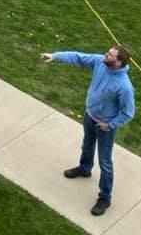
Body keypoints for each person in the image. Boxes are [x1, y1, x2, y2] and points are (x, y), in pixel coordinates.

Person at [40, 46, 135, 216]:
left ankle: (105, 198)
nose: (105, 55)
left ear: (119, 62)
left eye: (110, 55)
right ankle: (84, 169)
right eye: (107, 52)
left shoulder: (124, 86)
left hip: (104, 126)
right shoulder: (100, 62)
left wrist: (110, 125)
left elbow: (128, 112)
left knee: (105, 162)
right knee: (87, 145)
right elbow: (78, 57)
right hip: (89, 116)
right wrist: (55, 56)